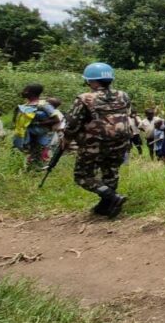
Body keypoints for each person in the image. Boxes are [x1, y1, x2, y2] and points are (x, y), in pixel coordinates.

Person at [63, 63, 133, 218]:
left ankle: (112, 197)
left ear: (92, 81)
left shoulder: (84, 99)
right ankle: (106, 207)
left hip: (93, 145)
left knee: (82, 176)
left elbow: (73, 124)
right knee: (111, 173)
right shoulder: (123, 95)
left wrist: (66, 139)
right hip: (120, 143)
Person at [12, 83, 58, 169]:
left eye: (25, 90)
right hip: (26, 135)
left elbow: (56, 119)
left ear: (32, 93)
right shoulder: (26, 105)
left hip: (38, 135)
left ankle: (36, 170)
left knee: (37, 155)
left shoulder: (44, 105)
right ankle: (28, 169)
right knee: (27, 154)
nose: (23, 92)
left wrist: (37, 124)